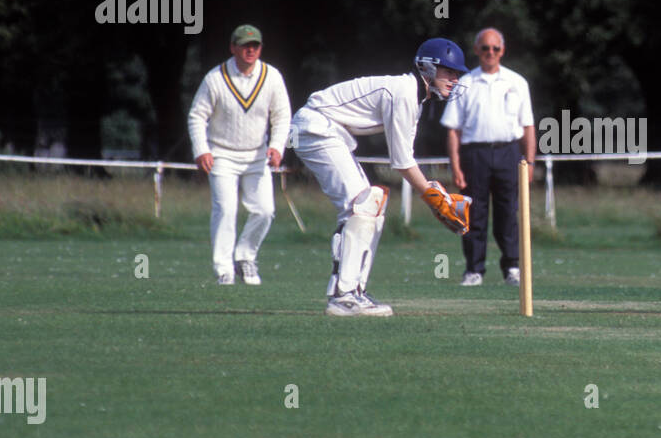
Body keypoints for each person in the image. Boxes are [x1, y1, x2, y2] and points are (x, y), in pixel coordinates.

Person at [289, 38, 473, 316]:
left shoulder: (414, 99)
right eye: (449, 72)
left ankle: (354, 292)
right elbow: (400, 162)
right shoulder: (402, 93)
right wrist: (435, 198)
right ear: (428, 68)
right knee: (361, 205)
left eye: (457, 74)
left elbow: (404, 160)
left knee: (372, 205)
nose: (454, 80)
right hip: (315, 127)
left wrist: (436, 194)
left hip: (329, 132)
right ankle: (344, 296)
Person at [187, 24, 292, 285]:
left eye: (255, 45)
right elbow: (197, 116)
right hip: (221, 154)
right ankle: (224, 268)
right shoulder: (215, 78)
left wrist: (277, 146)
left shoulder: (272, 77)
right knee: (225, 209)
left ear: (260, 48)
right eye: (245, 45)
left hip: (258, 156)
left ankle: (245, 256)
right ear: (233, 47)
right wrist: (202, 150)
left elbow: (282, 116)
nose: (250, 50)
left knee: (265, 210)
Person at [441, 28, 536, 287]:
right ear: (477, 51)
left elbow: (528, 127)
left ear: (502, 51)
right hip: (475, 155)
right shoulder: (465, 83)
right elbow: (453, 129)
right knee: (473, 213)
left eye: (495, 48)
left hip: (508, 153)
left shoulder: (517, 83)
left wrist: (530, 163)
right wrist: (456, 166)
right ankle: (474, 270)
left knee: (509, 213)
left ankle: (513, 269)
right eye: (485, 48)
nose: (490, 53)